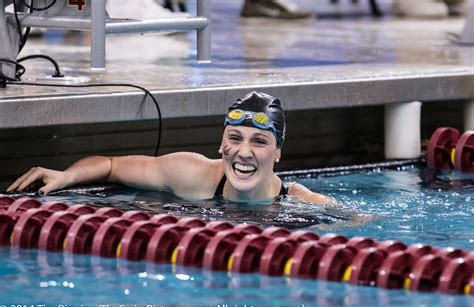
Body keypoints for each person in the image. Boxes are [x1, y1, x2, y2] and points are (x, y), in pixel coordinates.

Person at [7, 91, 336, 205]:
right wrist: (66, 176)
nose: (243, 152)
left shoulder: (303, 203)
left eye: (259, 141)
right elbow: (109, 164)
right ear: (222, 143)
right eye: (235, 138)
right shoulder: (190, 173)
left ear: (278, 152)